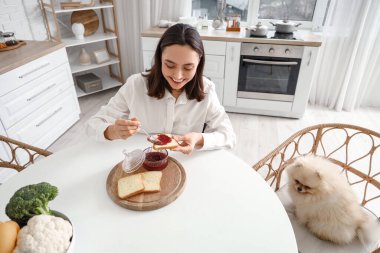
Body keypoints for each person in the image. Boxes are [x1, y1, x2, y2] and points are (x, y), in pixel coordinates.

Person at [86, 23, 236, 154]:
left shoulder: (207, 90)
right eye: (169, 65)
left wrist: (198, 138)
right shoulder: (135, 85)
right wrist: (112, 131)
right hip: (143, 158)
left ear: (198, 64)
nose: (178, 76)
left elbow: (228, 136)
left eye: (188, 67)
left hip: (185, 162)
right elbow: (92, 125)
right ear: (159, 59)